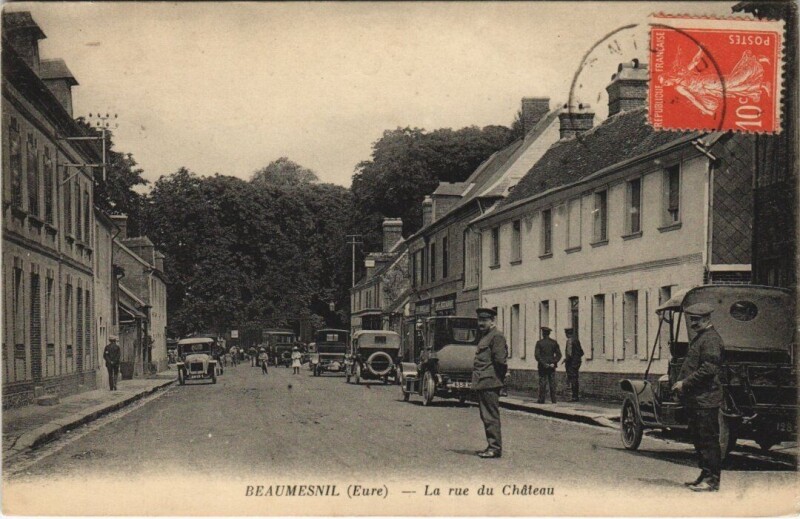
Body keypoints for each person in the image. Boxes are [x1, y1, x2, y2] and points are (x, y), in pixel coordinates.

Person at [672, 303, 724, 492]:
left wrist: (684, 383)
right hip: (698, 399)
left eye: (697, 320)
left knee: (708, 440)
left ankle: (711, 480)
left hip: (706, 399)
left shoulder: (710, 339)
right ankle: (704, 475)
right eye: (692, 319)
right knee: (699, 438)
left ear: (707, 319)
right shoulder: (702, 337)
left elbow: (708, 369)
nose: (693, 323)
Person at [471, 307, 508, 459]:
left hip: (490, 381)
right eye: (479, 320)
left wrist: (498, 378)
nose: (481, 323)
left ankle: (494, 448)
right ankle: (492, 445)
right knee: (486, 416)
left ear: (492, 321)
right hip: (484, 381)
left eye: (484, 320)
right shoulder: (486, 336)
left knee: (490, 416)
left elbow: (500, 361)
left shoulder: (496, 336)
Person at [534, 327, 561, 404]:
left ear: (543, 333)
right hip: (551, 366)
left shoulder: (539, 343)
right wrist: (554, 363)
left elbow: (537, 355)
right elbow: (559, 355)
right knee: (552, 383)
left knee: (542, 382)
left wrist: (544, 363)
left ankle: (541, 400)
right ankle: (554, 400)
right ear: (549, 334)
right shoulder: (554, 343)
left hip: (542, 366)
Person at [563, 328, 584, 402]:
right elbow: (581, 352)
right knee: (575, 379)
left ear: (567, 334)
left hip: (571, 364)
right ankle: (575, 396)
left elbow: (569, 354)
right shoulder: (576, 340)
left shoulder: (569, 341)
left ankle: (574, 397)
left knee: (572, 379)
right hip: (577, 363)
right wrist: (577, 358)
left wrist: (566, 360)